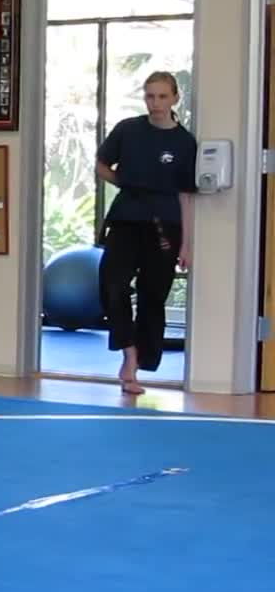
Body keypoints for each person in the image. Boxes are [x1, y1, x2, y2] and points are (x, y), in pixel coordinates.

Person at [95, 71, 198, 395]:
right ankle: (128, 353)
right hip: (127, 219)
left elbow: (186, 195)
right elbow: (101, 165)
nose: (155, 103)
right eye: (150, 96)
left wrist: (187, 244)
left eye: (162, 97)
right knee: (113, 285)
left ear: (174, 99)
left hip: (165, 226)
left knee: (153, 297)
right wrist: (125, 183)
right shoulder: (128, 130)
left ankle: (137, 367)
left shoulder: (184, 142)